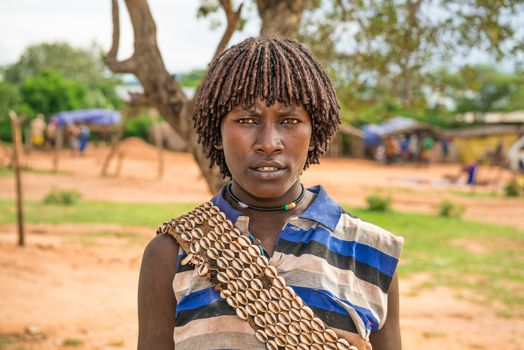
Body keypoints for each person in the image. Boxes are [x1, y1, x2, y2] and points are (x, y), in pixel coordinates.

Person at [138, 36, 403, 350]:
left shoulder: (370, 253)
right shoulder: (172, 253)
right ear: (218, 132)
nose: (269, 142)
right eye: (247, 120)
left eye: (289, 121)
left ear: (314, 132)